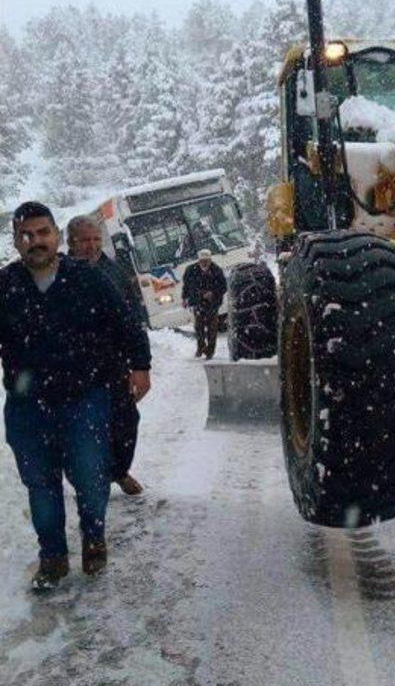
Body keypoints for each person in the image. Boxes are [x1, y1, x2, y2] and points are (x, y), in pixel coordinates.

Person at [0, 202, 151, 591]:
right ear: (16, 241)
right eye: (26, 235)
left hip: (84, 397)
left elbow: (126, 321)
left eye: (42, 233)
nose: (35, 241)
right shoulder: (6, 286)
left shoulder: (87, 278)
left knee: (90, 475)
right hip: (27, 407)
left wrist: (140, 365)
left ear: (55, 236)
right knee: (40, 484)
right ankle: (52, 557)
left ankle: (93, 537)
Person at [66, 214, 146, 496]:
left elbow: (133, 318)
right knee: (82, 429)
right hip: (72, 369)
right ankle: (87, 481)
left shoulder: (113, 272)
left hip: (113, 363)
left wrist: (140, 364)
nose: (91, 246)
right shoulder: (59, 275)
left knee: (126, 421)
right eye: (84, 240)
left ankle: (119, 470)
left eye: (96, 239)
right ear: (71, 243)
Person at [182, 248, 227, 359]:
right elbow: (186, 287)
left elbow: (223, 287)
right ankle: (201, 347)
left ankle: (210, 351)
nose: (205, 263)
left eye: (207, 260)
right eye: (202, 260)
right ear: (198, 261)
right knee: (199, 327)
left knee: (212, 329)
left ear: (210, 260)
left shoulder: (217, 270)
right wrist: (184, 298)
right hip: (197, 303)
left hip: (213, 304)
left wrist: (213, 293)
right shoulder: (190, 270)